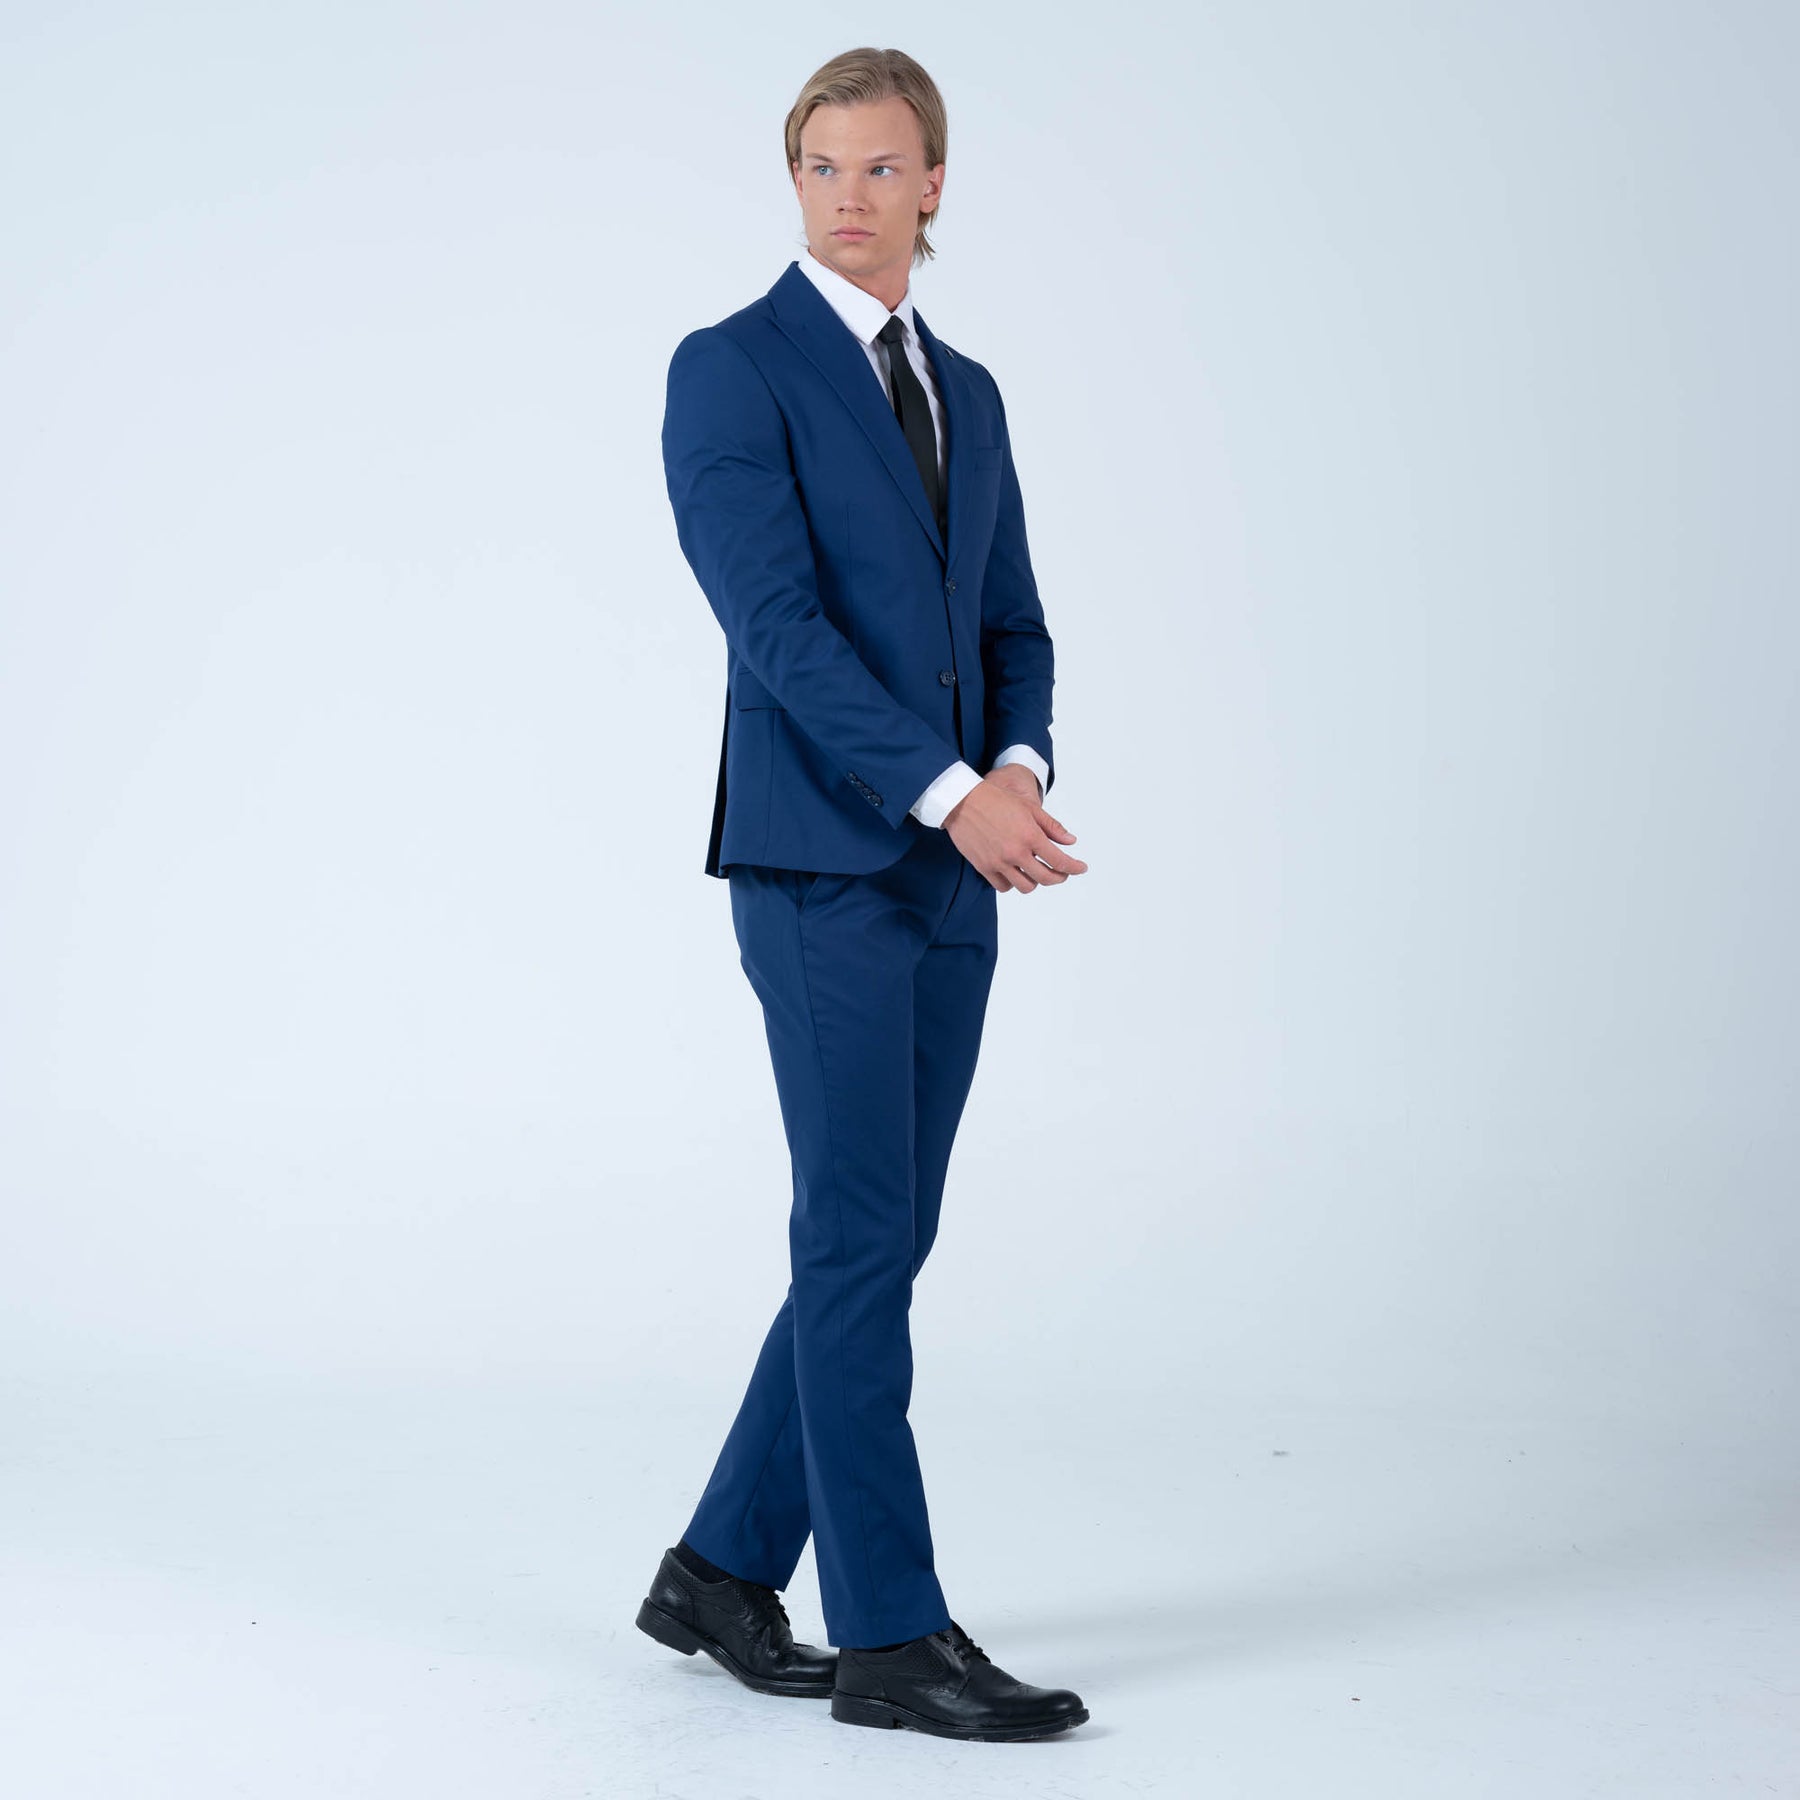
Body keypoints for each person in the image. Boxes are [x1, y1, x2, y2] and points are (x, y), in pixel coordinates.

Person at [638, 45, 1091, 1743]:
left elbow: (1015, 624)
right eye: (821, 166)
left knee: (880, 1237)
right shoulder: (731, 370)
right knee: (852, 1233)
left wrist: (1017, 768)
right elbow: (776, 629)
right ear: (796, 180)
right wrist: (951, 795)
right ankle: (891, 1634)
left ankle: (718, 1570)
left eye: (881, 167)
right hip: (826, 862)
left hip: (958, 867)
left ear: (934, 184)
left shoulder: (968, 391)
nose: (848, 196)